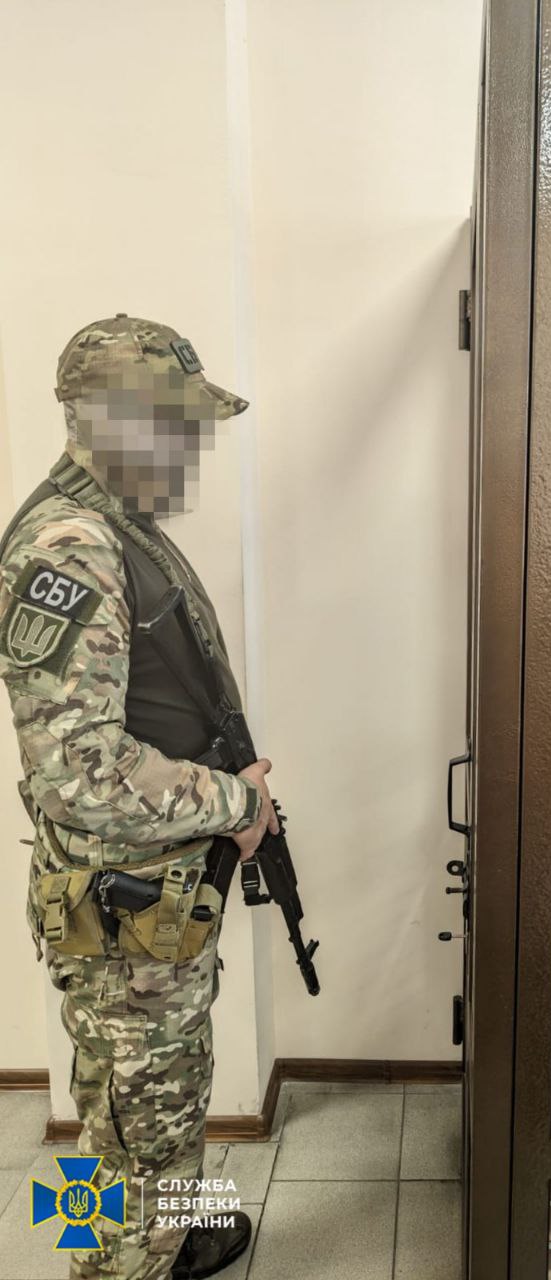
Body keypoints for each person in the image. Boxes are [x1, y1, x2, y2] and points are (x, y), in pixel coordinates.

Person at [0, 314, 279, 1280]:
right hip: (123, 911)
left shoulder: (120, 526)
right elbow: (78, 771)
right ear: (111, 420)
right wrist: (233, 803)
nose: (193, 447)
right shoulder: (71, 545)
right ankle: (117, 1268)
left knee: (147, 1101)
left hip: (150, 902)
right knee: (129, 1124)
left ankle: (177, 1233)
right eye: (177, 424)